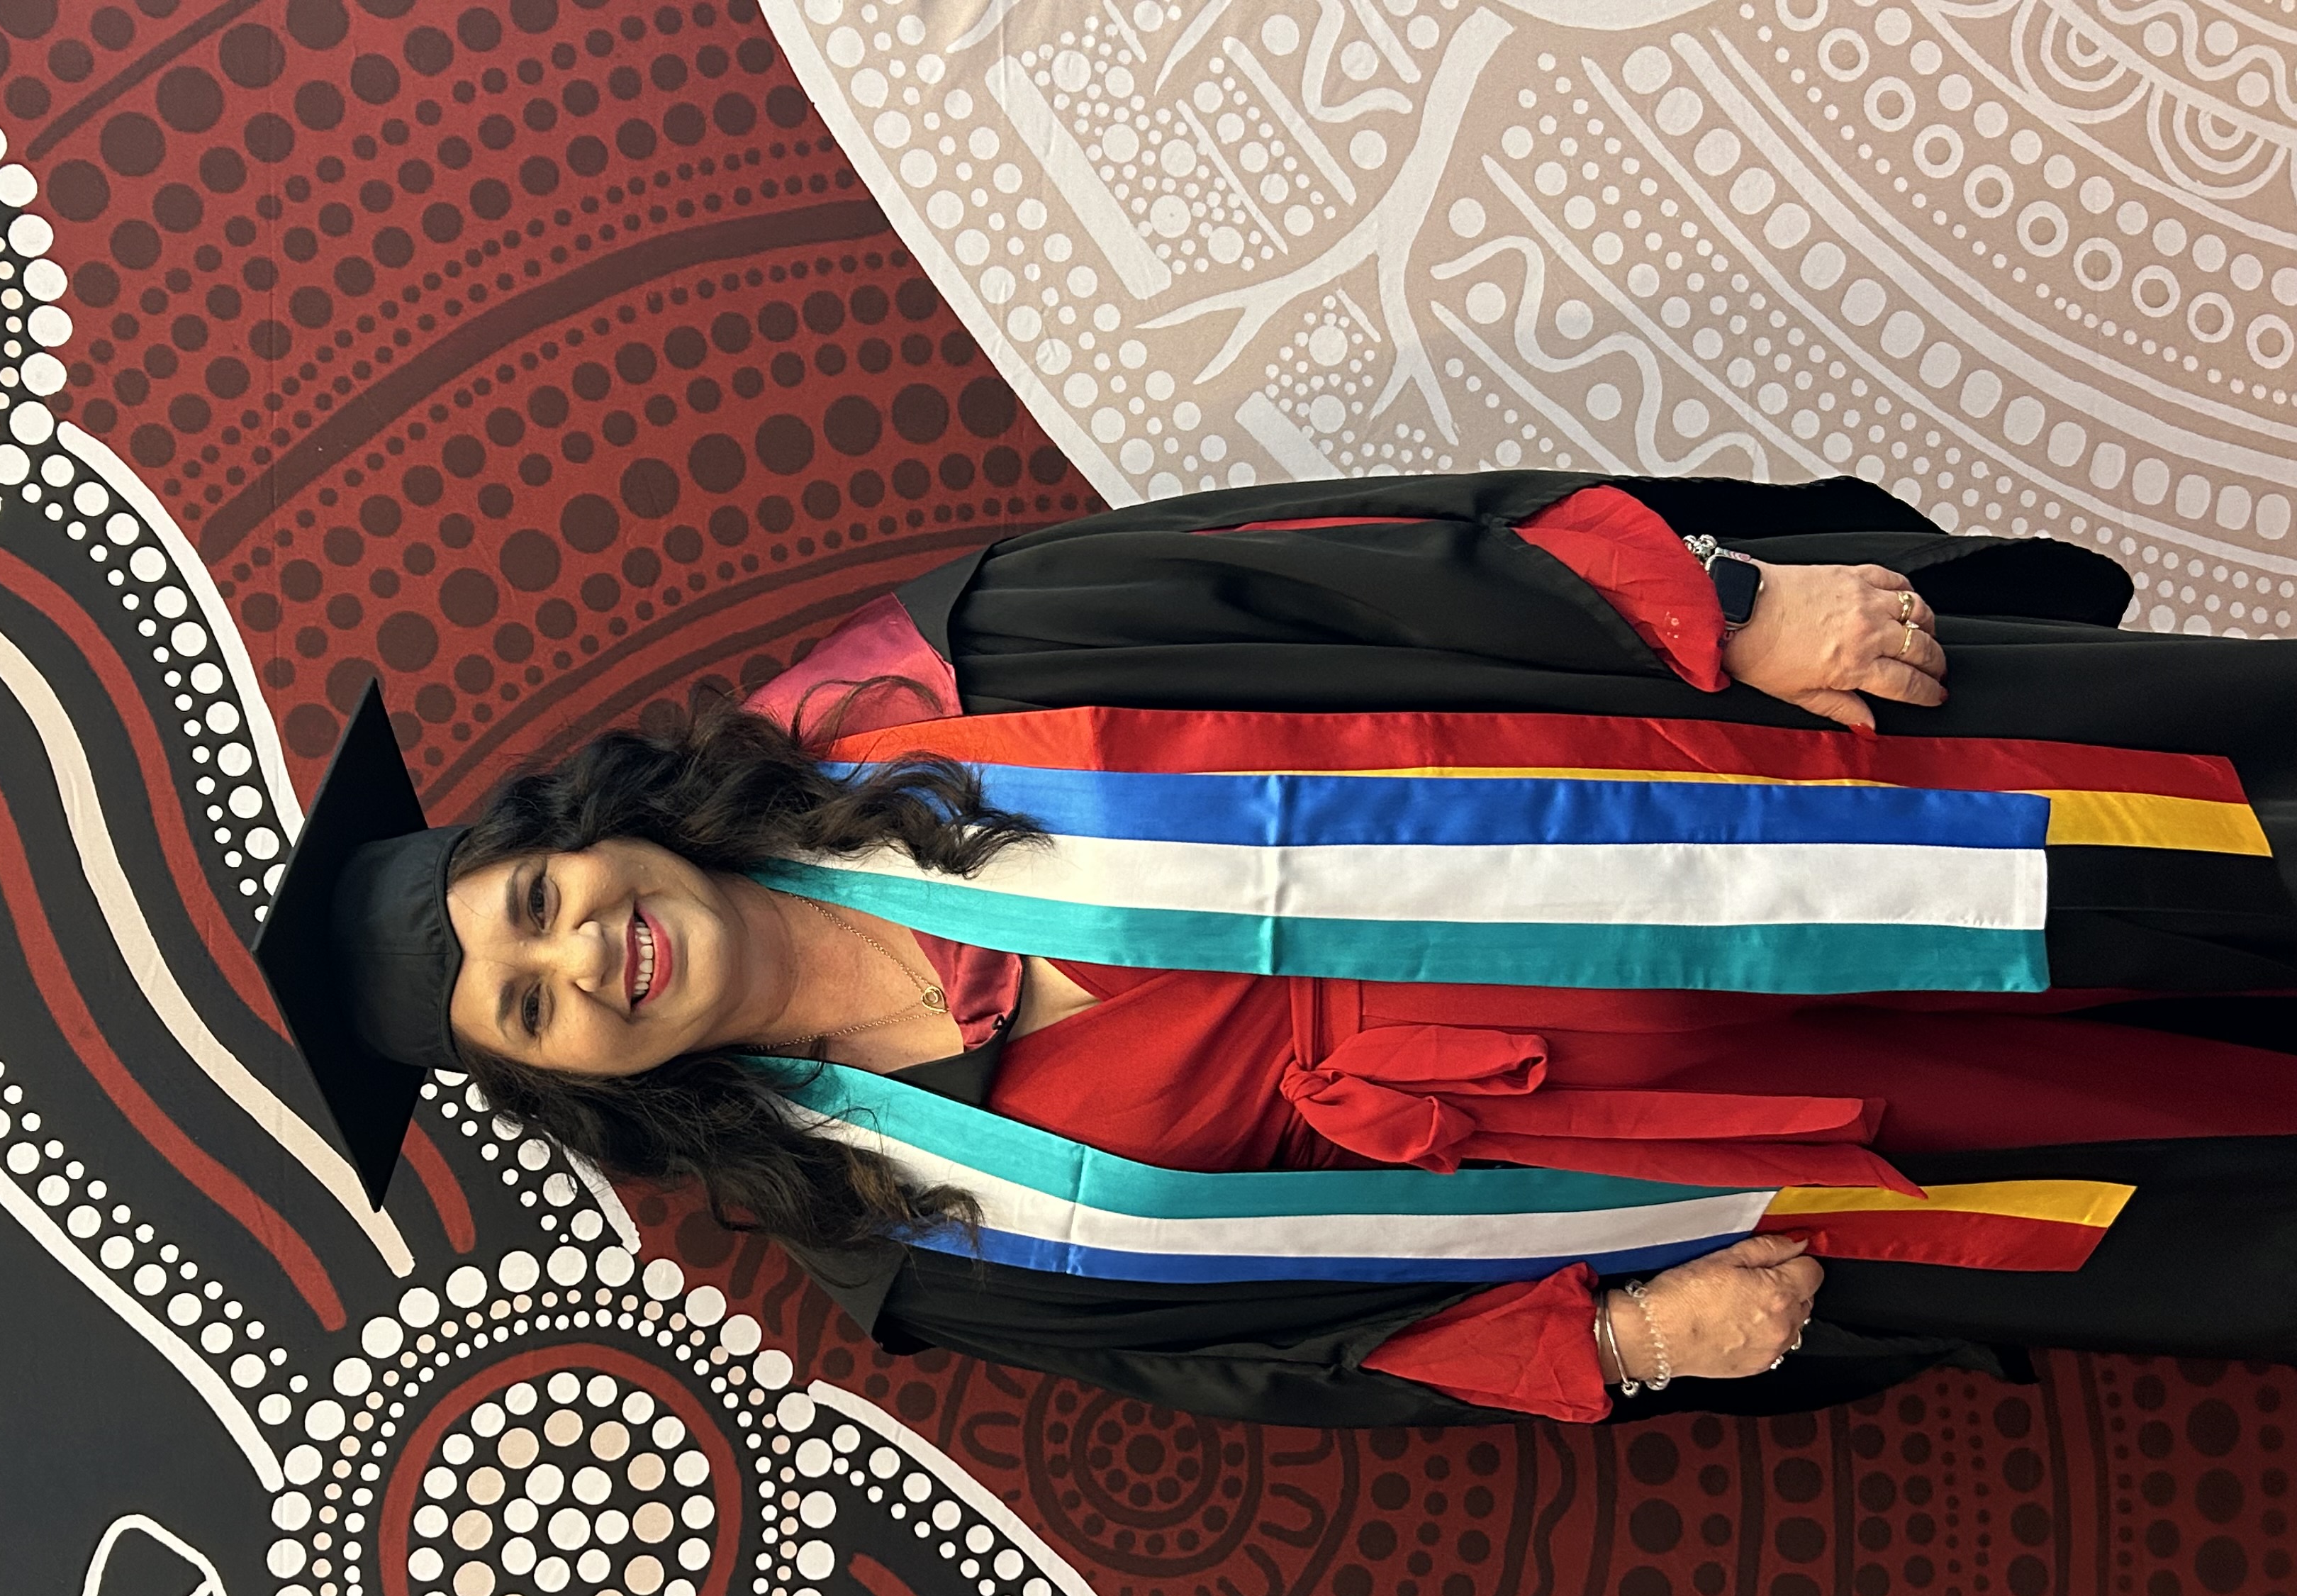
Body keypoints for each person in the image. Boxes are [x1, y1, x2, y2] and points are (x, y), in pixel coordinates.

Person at [254, 469, 2297, 1428]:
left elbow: (1359, 582)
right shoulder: (911, 1233)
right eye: (526, 1011)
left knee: (2236, 838)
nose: (578, 958)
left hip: (1767, 803)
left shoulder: (945, 679)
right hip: (1732, 1137)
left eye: (532, 906)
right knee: (2198, 1168)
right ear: (581, 1083)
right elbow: (1277, 1356)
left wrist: (1727, 609)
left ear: (582, 831)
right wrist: (1622, 1341)